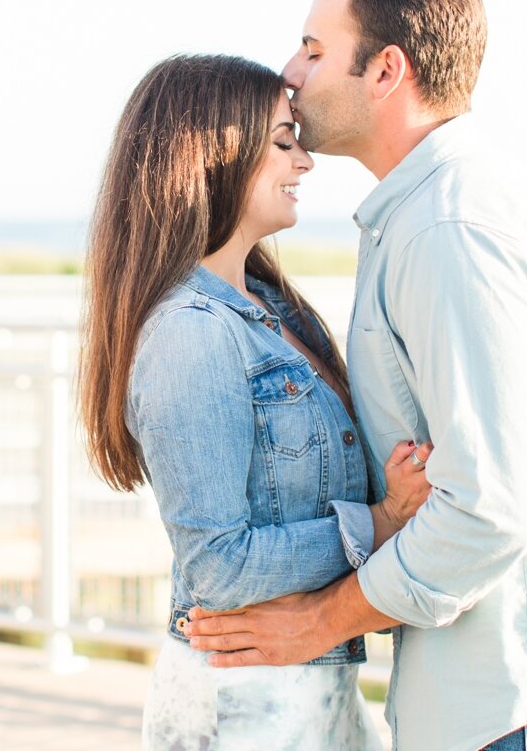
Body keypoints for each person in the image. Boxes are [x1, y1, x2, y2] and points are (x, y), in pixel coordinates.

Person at [181, 0, 527, 751]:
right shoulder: (436, 214)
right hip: (513, 707)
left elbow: (488, 511)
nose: (292, 71)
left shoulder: (452, 229)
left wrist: (319, 620)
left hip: (524, 709)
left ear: (386, 70)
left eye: (315, 49)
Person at [79, 53, 435, 749]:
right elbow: (218, 564)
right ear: (214, 156)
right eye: (282, 142)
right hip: (241, 705)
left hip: (310, 694)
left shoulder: (274, 311)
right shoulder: (190, 333)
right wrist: (381, 521)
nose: (304, 162)